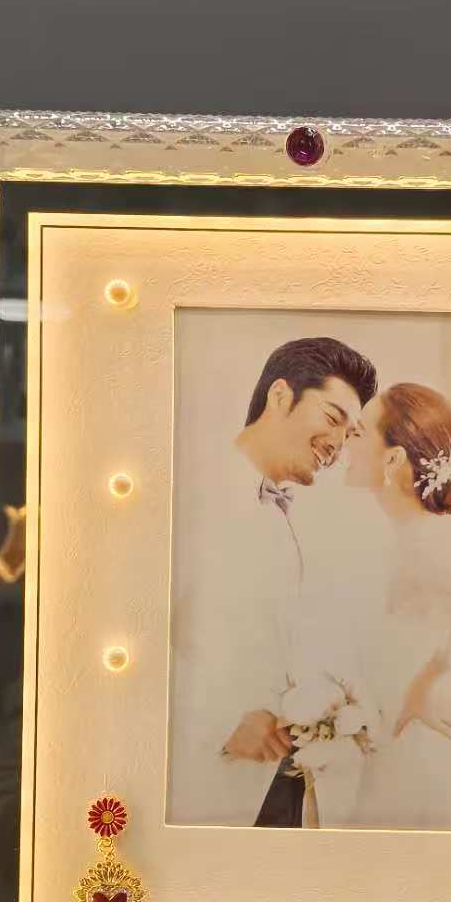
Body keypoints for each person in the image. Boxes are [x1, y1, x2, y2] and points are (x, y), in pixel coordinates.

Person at [168, 336, 377, 827]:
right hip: (205, 787)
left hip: (284, 787)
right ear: (280, 396)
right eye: (333, 418)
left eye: (349, 432)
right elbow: (135, 637)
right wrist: (223, 723)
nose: (338, 444)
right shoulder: (187, 494)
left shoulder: (287, 518)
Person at [336, 382, 451, 831]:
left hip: (428, 752)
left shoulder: (426, 541)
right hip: (399, 737)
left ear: (393, 459)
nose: (346, 441)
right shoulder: (401, 537)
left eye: (359, 432)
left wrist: (422, 684)